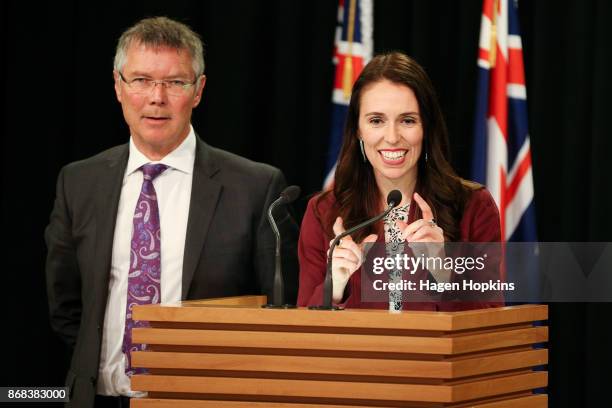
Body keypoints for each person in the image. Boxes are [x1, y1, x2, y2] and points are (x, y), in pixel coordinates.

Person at [45, 17, 298, 408]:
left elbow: (279, 313)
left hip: (204, 400)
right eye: (141, 80)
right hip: (97, 398)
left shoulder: (256, 188)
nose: (157, 97)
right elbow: (66, 305)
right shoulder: (79, 182)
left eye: (175, 82)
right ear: (118, 86)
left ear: (198, 91)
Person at [297, 52, 501, 311]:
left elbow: (491, 323)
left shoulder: (473, 206)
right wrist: (334, 289)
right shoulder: (324, 212)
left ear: (426, 128)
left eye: (407, 120)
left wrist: (443, 274)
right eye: (376, 121)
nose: (392, 137)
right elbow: (303, 330)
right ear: (358, 130)